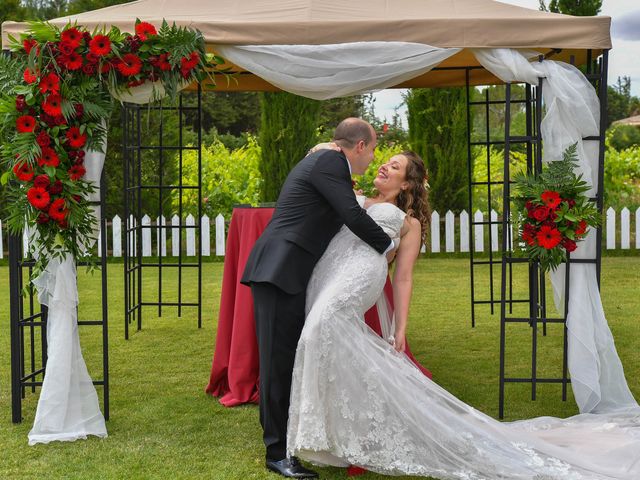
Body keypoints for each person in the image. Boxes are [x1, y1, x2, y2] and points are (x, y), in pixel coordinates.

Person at [287, 150, 640, 479]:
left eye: (395, 167)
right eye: (385, 162)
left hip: (358, 280)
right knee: (323, 339)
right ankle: (327, 434)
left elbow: (404, 276)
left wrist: (401, 326)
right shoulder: (352, 200)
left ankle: (338, 429)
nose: (384, 167)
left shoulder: (409, 222)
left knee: (323, 329)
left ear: (407, 184)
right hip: (330, 274)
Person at [241, 118, 394, 479]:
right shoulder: (328, 162)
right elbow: (352, 214)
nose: (372, 158)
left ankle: (289, 443)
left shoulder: (327, 161)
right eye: (372, 150)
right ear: (358, 146)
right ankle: (277, 454)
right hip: (278, 272)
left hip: (290, 275)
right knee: (276, 364)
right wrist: (388, 245)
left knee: (287, 360)